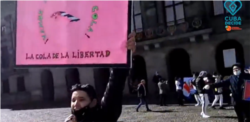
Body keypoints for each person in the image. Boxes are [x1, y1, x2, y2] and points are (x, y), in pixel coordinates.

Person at [64, 32, 136, 122]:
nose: (76, 104)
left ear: (93, 102)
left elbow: (115, 83)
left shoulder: (104, 115)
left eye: (81, 100)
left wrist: (124, 55)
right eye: (73, 100)